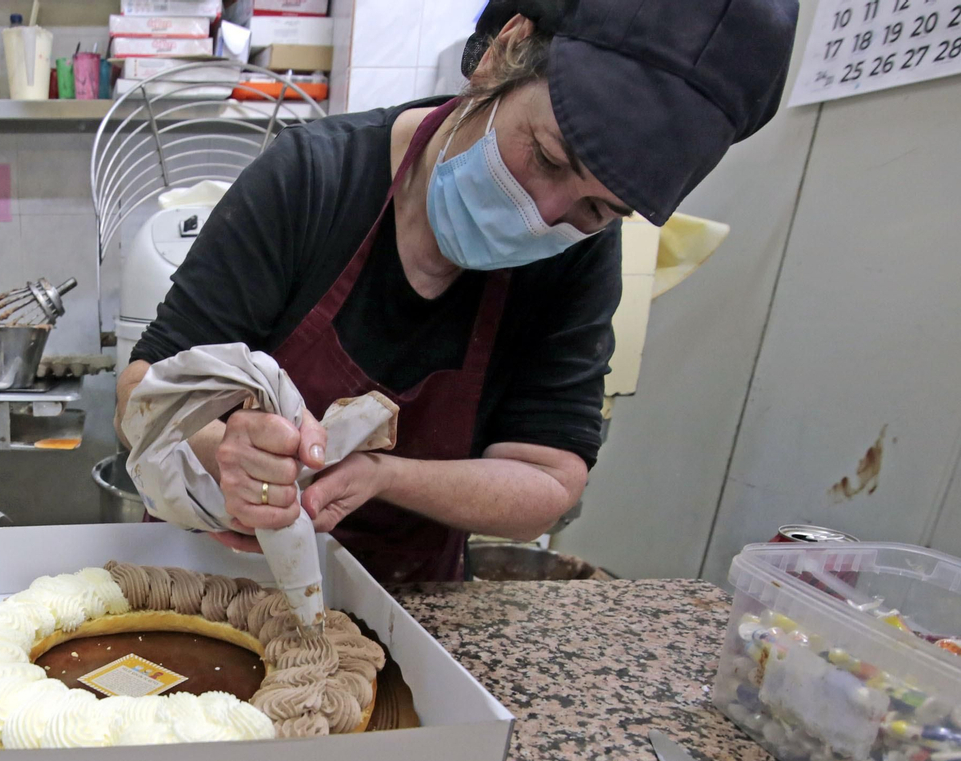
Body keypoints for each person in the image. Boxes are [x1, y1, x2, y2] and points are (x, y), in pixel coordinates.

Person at [114, 0, 798, 582]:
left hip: (406, 607)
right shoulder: (313, 177)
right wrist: (227, 449)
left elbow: (550, 479)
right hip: (213, 570)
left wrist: (385, 477)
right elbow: (142, 391)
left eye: (597, 209)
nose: (546, 214)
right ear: (504, 52)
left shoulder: (578, 259)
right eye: (548, 157)